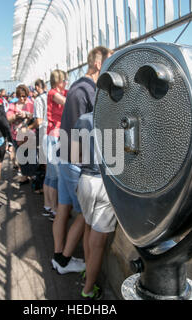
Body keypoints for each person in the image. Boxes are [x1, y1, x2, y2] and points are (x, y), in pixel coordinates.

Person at [51, 47, 113, 274]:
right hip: (75, 162)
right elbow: (83, 131)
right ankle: (65, 260)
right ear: (98, 64)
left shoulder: (77, 87)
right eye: (110, 60)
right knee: (85, 216)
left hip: (65, 157)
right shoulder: (86, 91)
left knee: (64, 208)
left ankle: (58, 256)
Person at [73, 112, 117, 300]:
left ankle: (87, 272)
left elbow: (75, 156)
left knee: (88, 228)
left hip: (85, 181)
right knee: (98, 243)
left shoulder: (84, 119)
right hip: (107, 185)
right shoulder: (120, 117)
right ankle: (88, 289)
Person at [45, 70, 68, 221]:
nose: (66, 82)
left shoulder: (62, 91)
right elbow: (67, 102)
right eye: (63, 80)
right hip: (55, 135)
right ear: (57, 81)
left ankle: (48, 206)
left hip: (54, 134)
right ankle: (54, 208)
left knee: (50, 175)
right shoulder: (53, 93)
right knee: (56, 175)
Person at [6, 84, 35, 184]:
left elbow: (34, 116)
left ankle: (31, 175)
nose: (22, 98)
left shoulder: (31, 103)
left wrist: (26, 114)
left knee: (30, 156)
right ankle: (24, 175)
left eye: (24, 96)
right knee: (21, 156)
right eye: (20, 96)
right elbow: (8, 118)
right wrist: (15, 116)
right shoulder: (12, 105)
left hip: (29, 135)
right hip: (16, 135)